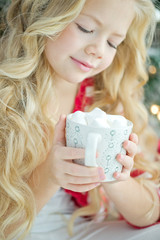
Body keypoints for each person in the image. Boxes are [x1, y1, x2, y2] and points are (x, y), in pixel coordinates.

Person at [0, 0, 160, 239]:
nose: (99, 50)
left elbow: (150, 214)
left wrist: (116, 178)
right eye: (85, 28)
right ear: (44, 13)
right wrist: (49, 176)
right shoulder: (7, 99)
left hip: (83, 228)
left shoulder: (102, 99)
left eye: (112, 43)